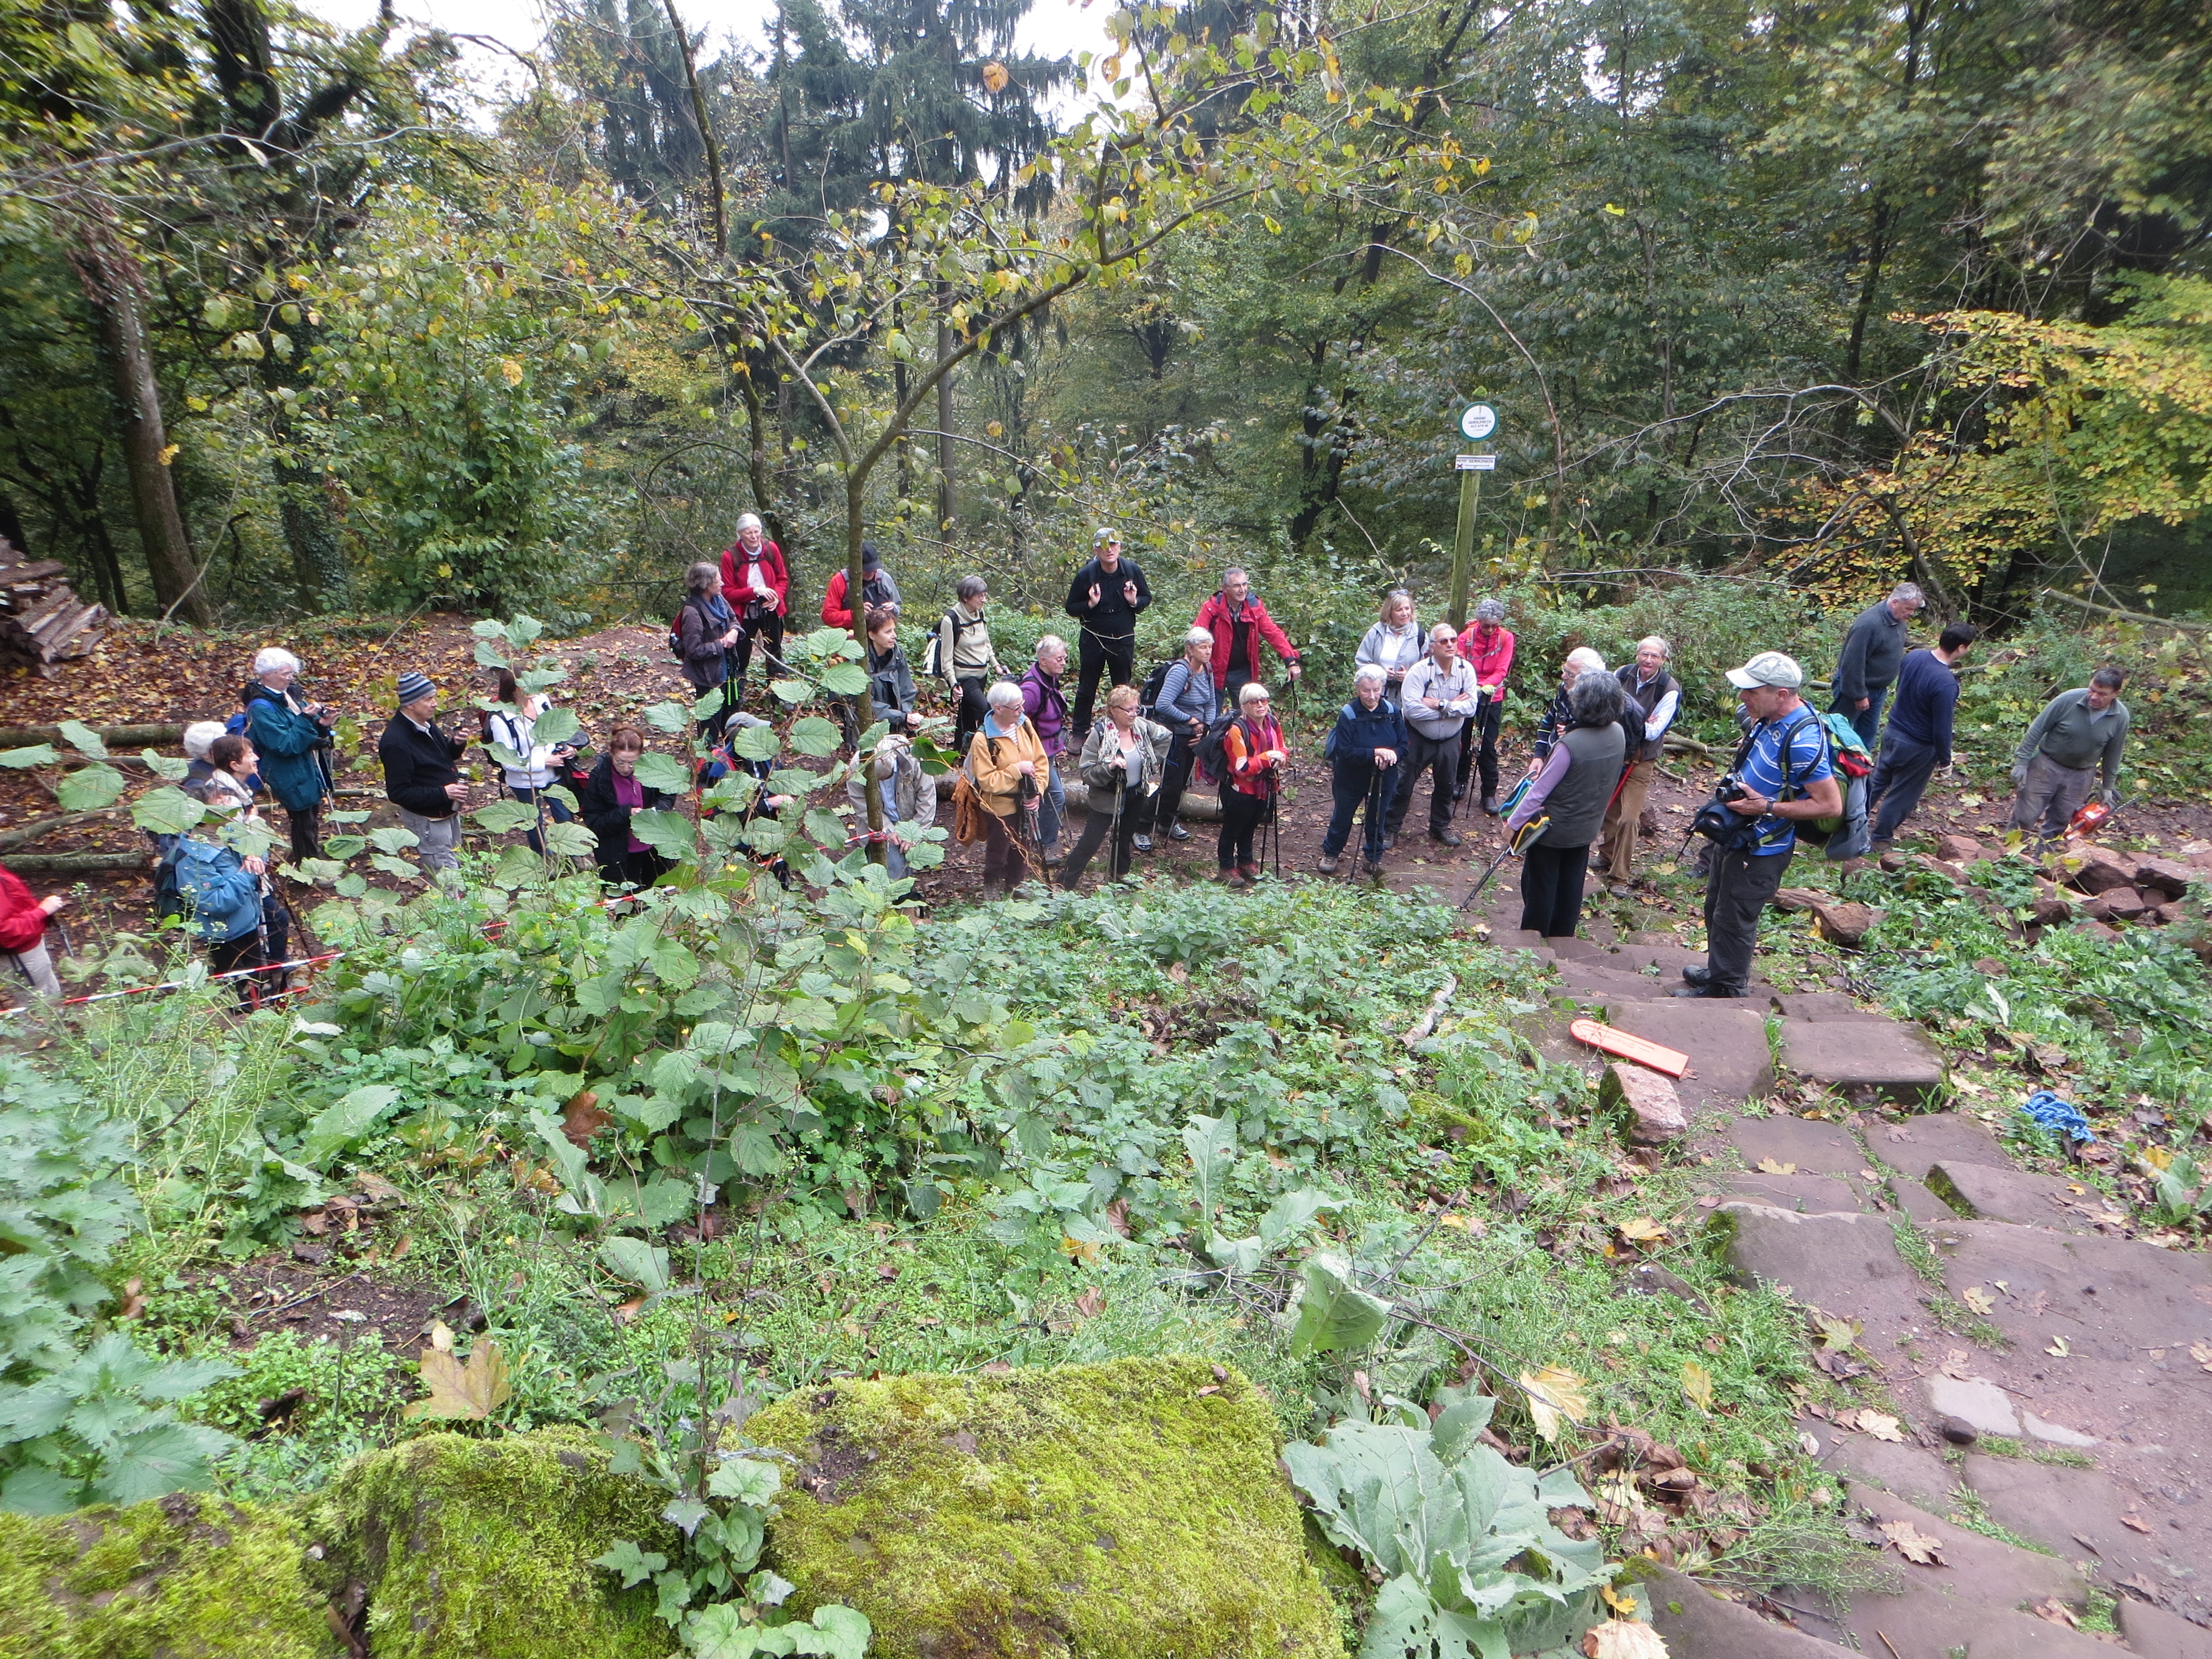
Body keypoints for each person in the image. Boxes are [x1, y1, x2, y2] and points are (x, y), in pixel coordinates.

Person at [1677, 653, 1840, 999]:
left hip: (1763, 847)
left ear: (1781, 694)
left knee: (1735, 918)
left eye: (1751, 691)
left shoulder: (1804, 740)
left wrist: (1764, 806)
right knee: (1717, 907)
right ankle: (1718, 972)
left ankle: (1727, 988)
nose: (1742, 697)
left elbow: (1829, 805)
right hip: (1738, 835)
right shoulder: (1768, 719)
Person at [1506, 671, 1629, 938]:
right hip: (1588, 826)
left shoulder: (1569, 745)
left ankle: (1533, 938)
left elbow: (1539, 792)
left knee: (1541, 886)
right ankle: (1563, 936)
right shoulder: (1618, 733)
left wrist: (1513, 824)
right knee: (1572, 885)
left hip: (1553, 830)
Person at [1866, 623, 1978, 849]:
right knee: (1902, 795)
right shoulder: (1946, 683)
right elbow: (1942, 727)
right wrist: (1945, 760)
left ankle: (1847, 823)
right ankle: (1880, 839)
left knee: (1876, 782)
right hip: (1917, 746)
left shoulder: (1914, 657)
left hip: (1892, 732)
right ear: (1961, 648)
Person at [193, 734, 291, 982]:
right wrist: (254, 824)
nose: (256, 758)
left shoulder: (235, 788)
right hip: (239, 876)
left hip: (241, 874)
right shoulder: (226, 799)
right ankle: (273, 971)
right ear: (235, 765)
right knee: (276, 920)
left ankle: (269, 970)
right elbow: (238, 842)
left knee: (271, 921)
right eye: (249, 755)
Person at [1060, 685, 1172, 889]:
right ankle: (1064, 883)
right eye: (1129, 710)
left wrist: (1151, 760)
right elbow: (1086, 772)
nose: (1134, 714)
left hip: (1136, 792)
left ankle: (1120, 873)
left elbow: (1166, 736)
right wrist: (1110, 768)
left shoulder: (1140, 727)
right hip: (1107, 797)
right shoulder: (1100, 734)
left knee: (1125, 836)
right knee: (1091, 842)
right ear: (1113, 710)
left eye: (1136, 709)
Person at [2007, 667, 2130, 845]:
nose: (2094, 697)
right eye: (2092, 690)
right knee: (2025, 816)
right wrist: (2022, 762)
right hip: (2045, 766)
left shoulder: (2120, 717)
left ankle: (2043, 858)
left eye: (2102, 694)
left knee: (2060, 822)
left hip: (2081, 776)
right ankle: (2009, 853)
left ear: (2115, 694)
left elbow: (2114, 753)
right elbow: (2037, 729)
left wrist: (2108, 787)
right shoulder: (2067, 700)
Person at [1597, 637, 1679, 891]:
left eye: (1655, 656)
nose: (1648, 660)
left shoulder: (1669, 689)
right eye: (1645, 654)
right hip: (1614, 752)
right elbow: (1602, 709)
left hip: (1641, 760)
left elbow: (1653, 732)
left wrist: (1623, 715)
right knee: (1609, 811)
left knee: (1629, 819)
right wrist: (1640, 718)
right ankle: (1606, 856)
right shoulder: (1621, 675)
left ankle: (1619, 878)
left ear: (1663, 660)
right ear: (1637, 655)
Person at [1386, 624, 1479, 849]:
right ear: (1432, 647)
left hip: (1450, 738)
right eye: (1444, 641)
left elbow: (1471, 708)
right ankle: (1390, 827)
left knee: (1447, 785)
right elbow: (1412, 710)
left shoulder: (1466, 670)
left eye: (1453, 640)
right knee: (1403, 784)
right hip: (1417, 736)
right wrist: (1452, 707)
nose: (1450, 645)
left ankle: (1440, 826)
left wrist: (1439, 705)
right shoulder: (1418, 672)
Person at [241, 646, 334, 867]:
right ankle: (309, 869)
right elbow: (284, 744)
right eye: (286, 673)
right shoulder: (260, 709)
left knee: (310, 816)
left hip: (305, 767)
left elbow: (305, 733)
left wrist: (322, 725)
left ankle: (310, 860)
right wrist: (305, 719)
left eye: (292, 673)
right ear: (267, 675)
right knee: (302, 822)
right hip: (286, 771)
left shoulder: (289, 696)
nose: (291, 677)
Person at [962, 681, 1049, 899]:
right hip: (999, 806)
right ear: (998, 708)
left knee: (1023, 848)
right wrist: (1016, 770)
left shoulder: (1024, 724)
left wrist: (1037, 792)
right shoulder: (983, 739)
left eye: (1022, 705)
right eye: (1016, 707)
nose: (1022, 710)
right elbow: (988, 782)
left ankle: (1015, 888)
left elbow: (1041, 762)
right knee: (998, 851)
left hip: (1026, 802)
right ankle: (991, 887)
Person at [377, 671, 469, 874]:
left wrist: (456, 744)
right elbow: (398, 793)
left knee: (458, 863)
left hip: (448, 812)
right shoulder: (396, 742)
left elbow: (442, 757)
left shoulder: (425, 724)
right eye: (428, 699)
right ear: (411, 704)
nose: (434, 704)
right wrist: (444, 793)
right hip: (429, 820)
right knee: (445, 874)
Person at [1063, 527, 1152, 735]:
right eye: (1103, 546)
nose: (1109, 550)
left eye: (1113, 544)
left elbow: (1146, 598)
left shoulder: (1131, 571)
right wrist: (1090, 604)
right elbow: (1071, 607)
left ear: (1119, 547)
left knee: (1122, 689)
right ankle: (1079, 732)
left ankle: (1123, 731)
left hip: (1123, 639)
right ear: (1095, 550)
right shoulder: (1086, 575)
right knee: (1087, 687)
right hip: (1093, 639)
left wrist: (1134, 601)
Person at [1318, 665, 1404, 877]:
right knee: (1343, 816)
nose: (1372, 696)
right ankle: (1331, 853)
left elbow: (1404, 746)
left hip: (1384, 776)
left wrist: (1392, 755)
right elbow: (1345, 751)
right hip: (1350, 777)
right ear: (1357, 689)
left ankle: (1373, 857)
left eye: (1376, 690)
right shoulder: (1348, 714)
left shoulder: (1393, 713)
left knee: (1377, 818)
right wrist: (1374, 754)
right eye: (1366, 690)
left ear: (1382, 687)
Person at [483, 667, 578, 855]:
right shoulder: (501, 719)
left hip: (554, 774)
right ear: (513, 689)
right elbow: (507, 761)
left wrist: (567, 748)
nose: (532, 686)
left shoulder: (542, 700)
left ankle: (573, 856)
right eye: (525, 684)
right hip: (525, 782)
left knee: (565, 815)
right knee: (533, 822)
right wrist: (544, 762)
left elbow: (555, 729)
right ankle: (543, 859)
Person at [579, 726, 676, 890]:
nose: (626, 769)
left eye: (632, 763)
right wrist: (626, 813)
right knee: (626, 898)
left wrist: (657, 810)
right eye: (620, 762)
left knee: (656, 890)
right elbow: (594, 822)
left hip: (654, 846)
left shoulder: (653, 769)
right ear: (611, 754)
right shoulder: (599, 778)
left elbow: (668, 793)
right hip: (619, 853)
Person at [1831, 582, 1925, 749]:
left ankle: (1861, 763)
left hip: (1878, 690)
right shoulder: (1868, 624)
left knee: (1867, 735)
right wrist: (1858, 695)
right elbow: (1852, 663)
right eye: (1908, 609)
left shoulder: (1899, 620)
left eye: (1914, 610)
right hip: (1856, 688)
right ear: (1895, 603)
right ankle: (1828, 762)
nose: (1911, 613)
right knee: (1838, 731)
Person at [1193, 566, 1301, 712]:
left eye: (1244, 584)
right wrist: (1192, 666)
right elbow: (1196, 636)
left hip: (1242, 672)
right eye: (1237, 586)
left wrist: (1291, 661)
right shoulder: (1212, 608)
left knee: (1247, 716)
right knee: (1210, 717)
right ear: (1225, 589)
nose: (1242, 590)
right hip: (1213, 671)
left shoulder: (1254, 608)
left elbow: (1273, 634)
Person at [1149, 627, 1216, 846]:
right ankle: (1141, 824)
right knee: (1171, 784)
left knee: (1181, 785)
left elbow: (1211, 702)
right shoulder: (1180, 672)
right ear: (1190, 649)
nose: (1208, 652)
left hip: (1194, 736)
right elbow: (1163, 704)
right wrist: (1191, 721)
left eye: (1210, 647)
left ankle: (1167, 822)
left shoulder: (1207, 670)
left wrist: (1206, 727)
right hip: (1175, 736)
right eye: (1203, 647)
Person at [1217, 682, 1285, 887]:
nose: (1261, 705)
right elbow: (1242, 768)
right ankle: (1226, 866)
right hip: (1240, 789)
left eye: (1264, 700)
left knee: (1252, 824)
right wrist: (1267, 758)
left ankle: (1246, 861)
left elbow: (1282, 748)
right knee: (1233, 828)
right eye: (1254, 702)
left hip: (1264, 786)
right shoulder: (1236, 732)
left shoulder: (1272, 722)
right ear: (1244, 707)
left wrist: (1281, 758)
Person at [1454, 598, 1516, 813]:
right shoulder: (1466, 638)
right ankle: (1459, 781)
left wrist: (1486, 686)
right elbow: (1460, 664)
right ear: (1479, 622)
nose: (1490, 630)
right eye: (1486, 625)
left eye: (1494, 625)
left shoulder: (1506, 638)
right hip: (1466, 693)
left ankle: (1489, 793)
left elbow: (1502, 669)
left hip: (1492, 695)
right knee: (1462, 740)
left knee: (1487, 745)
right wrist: (1472, 688)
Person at [847, 733, 934, 881]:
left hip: (910, 821)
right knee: (890, 866)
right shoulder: (856, 769)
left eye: (885, 777)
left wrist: (913, 836)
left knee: (904, 861)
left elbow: (927, 801)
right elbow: (862, 805)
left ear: (893, 760)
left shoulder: (916, 760)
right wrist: (888, 830)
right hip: (877, 823)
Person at [718, 512, 789, 693]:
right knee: (741, 655)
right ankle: (737, 696)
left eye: (757, 532)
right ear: (740, 534)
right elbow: (727, 592)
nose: (754, 536)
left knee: (774, 652)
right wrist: (754, 591)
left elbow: (782, 579)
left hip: (770, 610)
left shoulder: (771, 549)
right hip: (743, 614)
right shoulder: (730, 557)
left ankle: (779, 694)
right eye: (748, 533)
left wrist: (776, 597)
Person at [1020, 635, 1073, 862]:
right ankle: (1043, 846)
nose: (1063, 663)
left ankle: (1035, 841)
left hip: (1047, 750)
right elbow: (1015, 720)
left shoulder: (1049, 678)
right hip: (1035, 754)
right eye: (1059, 659)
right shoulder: (1032, 690)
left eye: (1064, 658)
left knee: (1047, 796)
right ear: (1043, 660)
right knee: (1056, 797)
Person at [937, 576, 1001, 753]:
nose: (984, 600)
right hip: (965, 677)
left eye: (985, 595)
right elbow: (946, 658)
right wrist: (953, 683)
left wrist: (995, 665)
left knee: (966, 716)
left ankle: (960, 753)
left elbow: (986, 642)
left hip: (982, 674)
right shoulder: (950, 620)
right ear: (966, 597)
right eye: (980, 596)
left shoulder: (980, 613)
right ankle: (988, 749)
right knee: (986, 711)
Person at [677, 560, 740, 736]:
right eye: (718, 580)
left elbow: (733, 620)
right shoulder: (692, 613)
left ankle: (730, 752)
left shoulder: (719, 600)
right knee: (709, 728)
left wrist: (735, 631)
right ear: (705, 584)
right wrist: (721, 644)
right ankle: (706, 754)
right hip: (708, 678)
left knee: (731, 721)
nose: (723, 583)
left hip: (727, 671)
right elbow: (693, 650)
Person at [1528, 647, 1605, 773]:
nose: (1563, 676)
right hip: (1551, 760)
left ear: (1588, 680)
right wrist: (1539, 755)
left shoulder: (1598, 707)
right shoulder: (1565, 689)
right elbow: (1548, 722)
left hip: (1575, 771)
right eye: (1564, 670)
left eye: (1571, 675)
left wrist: (1572, 739)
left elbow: (1596, 750)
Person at [0, 864, 67, 1000]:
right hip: (19, 956)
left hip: (25, 949)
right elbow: (4, 930)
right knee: (38, 1002)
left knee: (49, 993)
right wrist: (42, 912)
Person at [1357, 589, 1426, 705]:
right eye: (1399, 610)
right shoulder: (1376, 633)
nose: (1404, 613)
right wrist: (1380, 676)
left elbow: (1427, 669)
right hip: (1378, 698)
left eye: (1407, 608)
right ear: (1390, 612)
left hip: (1409, 698)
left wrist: (1409, 676)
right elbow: (1362, 663)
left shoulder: (1420, 635)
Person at [821, 542, 901, 633]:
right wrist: (856, 614)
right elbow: (828, 616)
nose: (871, 573)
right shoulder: (840, 581)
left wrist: (893, 608)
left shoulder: (884, 579)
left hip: (883, 638)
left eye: (873, 569)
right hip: (853, 638)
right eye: (866, 570)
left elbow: (898, 606)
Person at [865, 606, 916, 734]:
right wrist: (902, 717)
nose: (894, 636)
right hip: (867, 726)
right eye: (888, 632)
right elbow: (864, 705)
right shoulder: (860, 661)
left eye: (894, 630)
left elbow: (907, 689)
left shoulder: (897, 655)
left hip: (897, 722)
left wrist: (907, 716)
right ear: (872, 635)